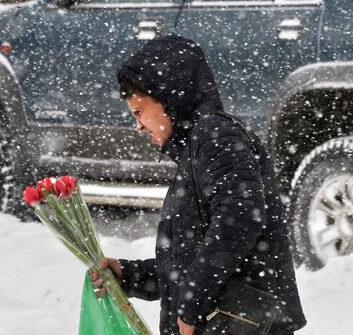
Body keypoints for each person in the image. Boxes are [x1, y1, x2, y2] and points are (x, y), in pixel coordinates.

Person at [89, 35, 306, 335]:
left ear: (166, 97)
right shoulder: (196, 149)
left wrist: (191, 308)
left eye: (139, 112)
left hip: (241, 325)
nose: (137, 125)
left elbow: (239, 221)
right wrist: (130, 275)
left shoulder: (215, 136)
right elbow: (190, 260)